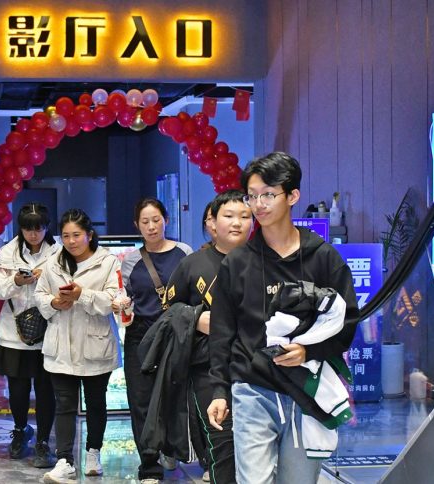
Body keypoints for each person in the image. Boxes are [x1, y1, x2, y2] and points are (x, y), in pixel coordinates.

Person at [206, 152, 359, 484]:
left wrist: (309, 352)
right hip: (252, 388)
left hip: (307, 391)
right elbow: (222, 333)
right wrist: (219, 391)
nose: (258, 205)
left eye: (269, 195)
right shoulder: (237, 263)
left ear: (292, 196)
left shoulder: (323, 258)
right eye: (252, 195)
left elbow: (347, 323)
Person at [164, 191, 253, 484]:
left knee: (255, 447)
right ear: (212, 222)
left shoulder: (265, 262)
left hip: (258, 369)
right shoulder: (193, 264)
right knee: (222, 444)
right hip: (207, 368)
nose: (238, 223)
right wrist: (194, 317)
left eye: (245, 216)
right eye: (229, 216)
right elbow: (170, 307)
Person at [34, 209, 121, 484]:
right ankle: (64, 461)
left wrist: (82, 295)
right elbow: (40, 293)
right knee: (65, 405)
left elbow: (114, 299)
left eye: (77, 235)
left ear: (89, 235)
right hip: (60, 344)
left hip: (95, 343)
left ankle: (93, 453)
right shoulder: (52, 263)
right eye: (67, 236)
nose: (71, 241)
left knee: (96, 403)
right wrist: (52, 303)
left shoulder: (107, 262)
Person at [117, 198, 192, 483]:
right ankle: (149, 463)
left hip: (175, 334)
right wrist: (121, 304)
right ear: (137, 225)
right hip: (141, 335)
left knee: (175, 396)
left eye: (156, 220)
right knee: (141, 400)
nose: (151, 226)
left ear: (166, 220)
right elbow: (126, 299)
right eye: (145, 222)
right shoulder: (130, 261)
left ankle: (171, 447)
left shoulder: (184, 253)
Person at [0, 203, 60, 468]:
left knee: (45, 389)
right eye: (28, 229)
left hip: (49, 329)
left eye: (38, 228)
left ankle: (43, 441)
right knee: (17, 389)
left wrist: (46, 279)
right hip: (14, 333)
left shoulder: (58, 252)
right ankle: (20, 431)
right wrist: (16, 282)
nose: (33, 234)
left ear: (46, 227)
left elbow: (68, 285)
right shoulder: (7, 252)